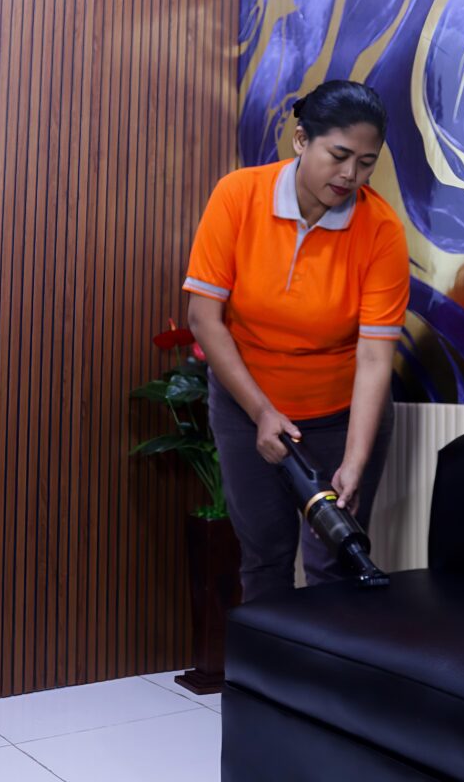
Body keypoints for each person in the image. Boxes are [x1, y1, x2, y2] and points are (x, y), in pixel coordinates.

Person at [184, 80, 410, 601]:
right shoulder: (238, 195)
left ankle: (327, 660)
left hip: (340, 416)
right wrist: (261, 412)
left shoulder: (381, 230)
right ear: (302, 140)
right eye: (340, 155)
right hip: (247, 407)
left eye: (367, 163)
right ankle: (267, 660)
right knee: (264, 557)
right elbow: (204, 319)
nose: (350, 175)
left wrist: (354, 460)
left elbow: (375, 357)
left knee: (336, 563)